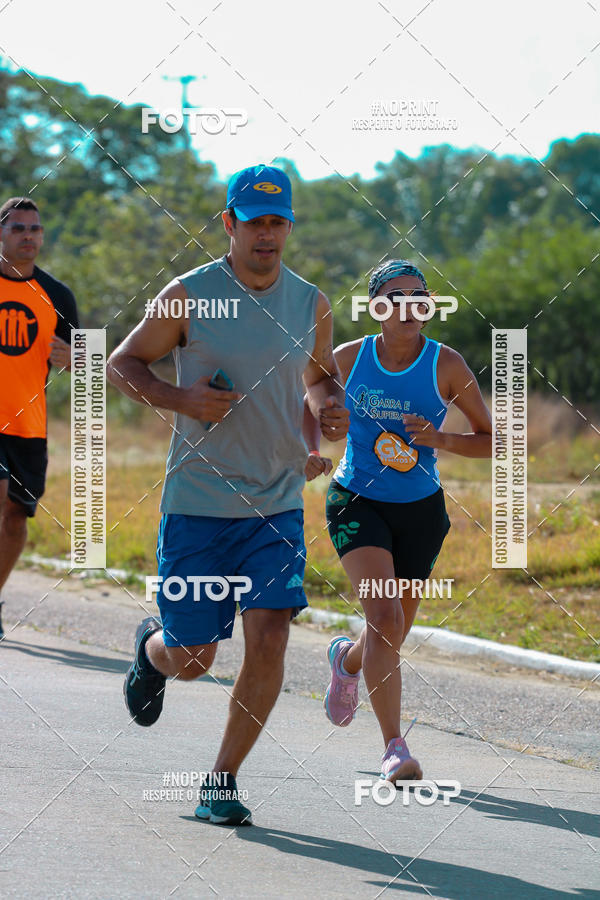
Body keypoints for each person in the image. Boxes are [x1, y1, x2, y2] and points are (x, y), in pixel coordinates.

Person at [107, 164, 349, 826]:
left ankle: (221, 781)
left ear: (288, 227)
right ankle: (152, 651)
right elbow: (122, 363)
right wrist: (177, 397)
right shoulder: (189, 294)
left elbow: (322, 379)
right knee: (193, 657)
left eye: (278, 222)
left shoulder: (311, 303)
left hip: (274, 504)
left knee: (269, 635)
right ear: (229, 223)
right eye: (254, 221)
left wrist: (330, 409)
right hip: (198, 504)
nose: (267, 234)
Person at [305, 259, 492, 784]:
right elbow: (307, 391)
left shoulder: (446, 365)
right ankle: (394, 748)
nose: (410, 305)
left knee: (391, 628)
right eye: (396, 296)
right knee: (385, 618)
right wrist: (313, 443)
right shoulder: (349, 358)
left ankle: (347, 660)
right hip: (355, 500)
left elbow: (492, 439)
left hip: (421, 513)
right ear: (377, 307)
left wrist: (441, 440)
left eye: (420, 296)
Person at [0, 197, 79, 640]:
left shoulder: (57, 295)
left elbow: (89, 360)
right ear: (1, 234)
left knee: (16, 517)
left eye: (35, 229)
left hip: (29, 425)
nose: (28, 236)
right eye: (18, 229)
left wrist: (74, 356)